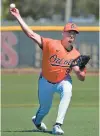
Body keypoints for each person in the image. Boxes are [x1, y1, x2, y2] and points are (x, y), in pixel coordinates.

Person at [10, 7, 86, 135]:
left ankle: (57, 125)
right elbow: (31, 34)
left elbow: (82, 77)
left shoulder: (77, 55)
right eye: (69, 32)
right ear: (63, 33)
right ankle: (37, 121)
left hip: (63, 80)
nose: (71, 35)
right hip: (45, 81)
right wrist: (18, 17)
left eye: (74, 33)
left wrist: (79, 73)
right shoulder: (51, 44)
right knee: (45, 109)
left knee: (67, 91)